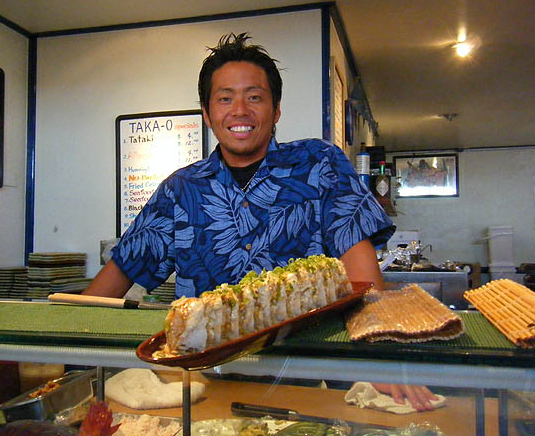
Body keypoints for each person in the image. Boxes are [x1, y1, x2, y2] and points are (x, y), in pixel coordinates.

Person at [84, 32, 436, 411]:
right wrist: (62, 342)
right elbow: (113, 281)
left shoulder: (319, 165)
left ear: (276, 110)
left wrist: (380, 356)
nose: (240, 110)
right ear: (207, 114)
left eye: (254, 97)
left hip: (303, 381)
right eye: (225, 98)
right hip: (205, 387)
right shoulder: (180, 190)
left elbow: (360, 270)